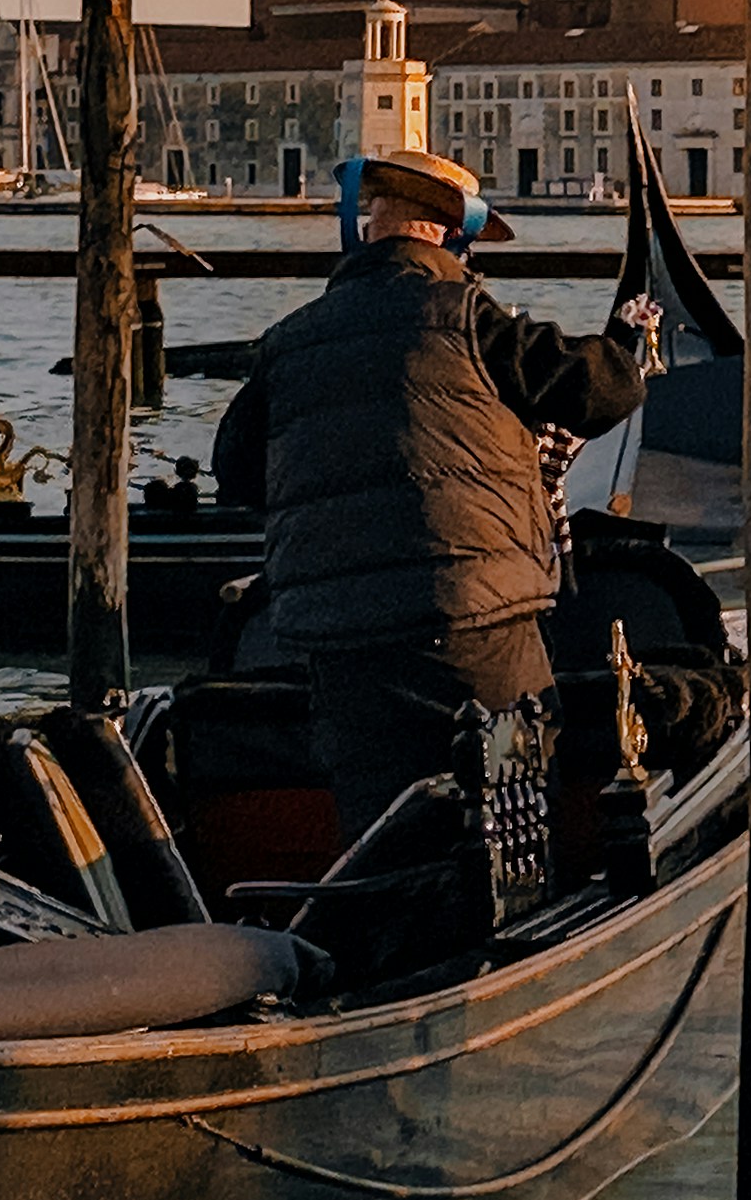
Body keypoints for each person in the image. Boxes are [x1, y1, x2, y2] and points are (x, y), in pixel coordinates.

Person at [210, 147, 656, 862]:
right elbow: (603, 390)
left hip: (335, 632)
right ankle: (507, 936)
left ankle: (386, 944)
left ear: (369, 224)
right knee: (511, 795)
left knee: (378, 814)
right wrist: (624, 351)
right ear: (454, 234)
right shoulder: (470, 318)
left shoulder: (287, 341)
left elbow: (235, 474)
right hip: (470, 614)